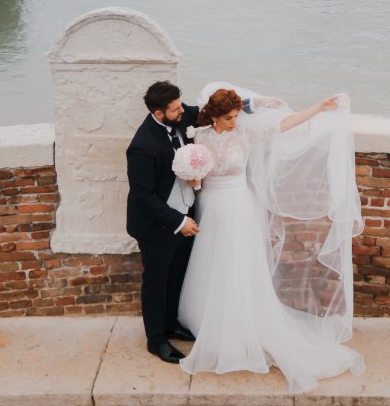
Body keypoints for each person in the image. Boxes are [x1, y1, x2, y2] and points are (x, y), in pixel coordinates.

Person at [177, 84, 365, 394]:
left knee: (239, 264)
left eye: (237, 116)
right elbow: (195, 175)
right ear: (215, 117)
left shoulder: (245, 135)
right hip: (211, 207)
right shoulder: (199, 137)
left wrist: (319, 106)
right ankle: (206, 318)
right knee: (212, 263)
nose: (234, 122)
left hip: (239, 207)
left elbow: (283, 125)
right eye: (229, 118)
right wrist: (194, 178)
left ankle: (241, 322)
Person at [126, 81, 266, 363]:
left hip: (187, 213)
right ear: (158, 113)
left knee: (177, 273)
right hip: (158, 224)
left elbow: (210, 110)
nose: (184, 111)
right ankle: (156, 340)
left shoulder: (180, 116)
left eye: (181, 105)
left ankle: (171, 323)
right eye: (176, 108)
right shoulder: (141, 146)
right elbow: (144, 196)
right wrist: (178, 222)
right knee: (156, 280)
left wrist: (253, 105)